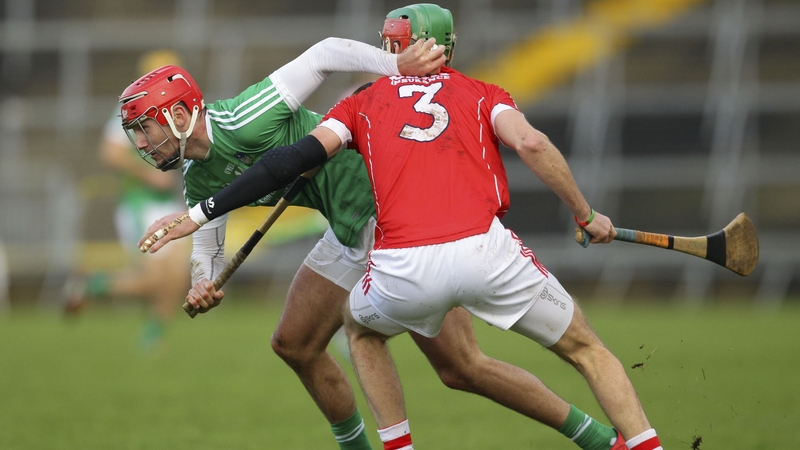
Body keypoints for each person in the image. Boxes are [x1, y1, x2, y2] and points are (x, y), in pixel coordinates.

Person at [132, 32, 631, 450]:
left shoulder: (246, 115)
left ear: (179, 114)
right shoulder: (198, 179)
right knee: (294, 344)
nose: (140, 144)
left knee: (461, 369)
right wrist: (203, 282)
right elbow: (208, 246)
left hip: (392, 219)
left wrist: (397, 63)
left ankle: (595, 438)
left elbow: (326, 52)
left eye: (145, 128)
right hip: (345, 230)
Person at [62, 50, 191, 352]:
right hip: (139, 205)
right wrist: (148, 175)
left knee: (178, 275)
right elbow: (110, 152)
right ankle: (90, 286)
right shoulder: (129, 113)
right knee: (154, 280)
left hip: (167, 204)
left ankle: (152, 336)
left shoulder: (177, 112)